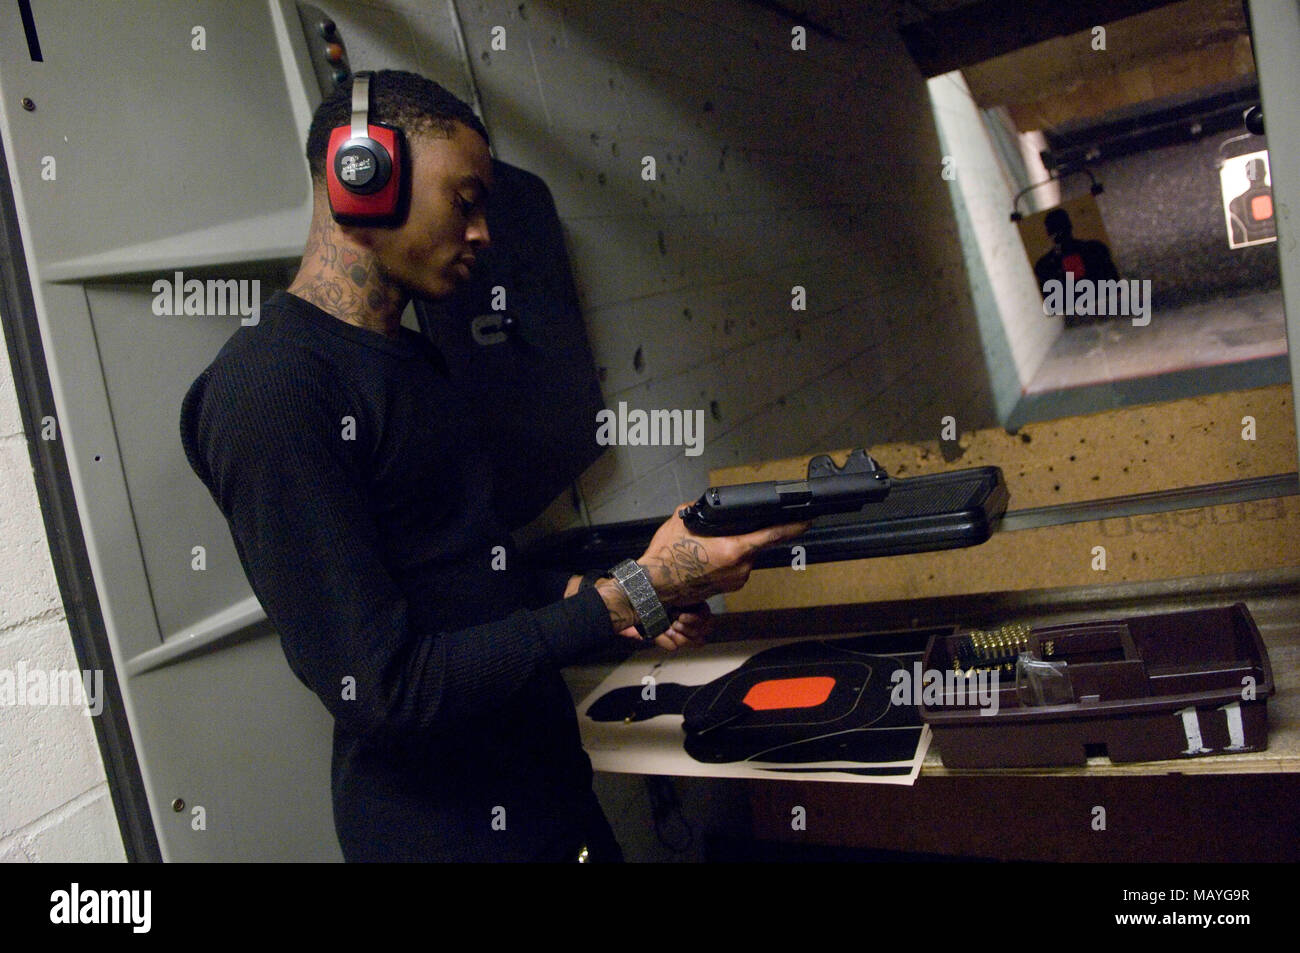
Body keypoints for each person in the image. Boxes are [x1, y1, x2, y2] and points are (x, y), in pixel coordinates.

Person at [178, 69, 806, 862]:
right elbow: (385, 688)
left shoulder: (413, 356)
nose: (483, 234)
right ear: (362, 175)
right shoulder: (269, 389)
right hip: (449, 839)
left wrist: (623, 594)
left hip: (551, 803)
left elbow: (473, 583)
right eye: (465, 201)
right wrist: (631, 593)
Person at [1033, 208, 1119, 327]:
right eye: (1056, 230)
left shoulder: (1044, 265)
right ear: (1070, 226)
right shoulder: (1096, 249)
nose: (1059, 234)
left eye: (1059, 229)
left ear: (1048, 233)